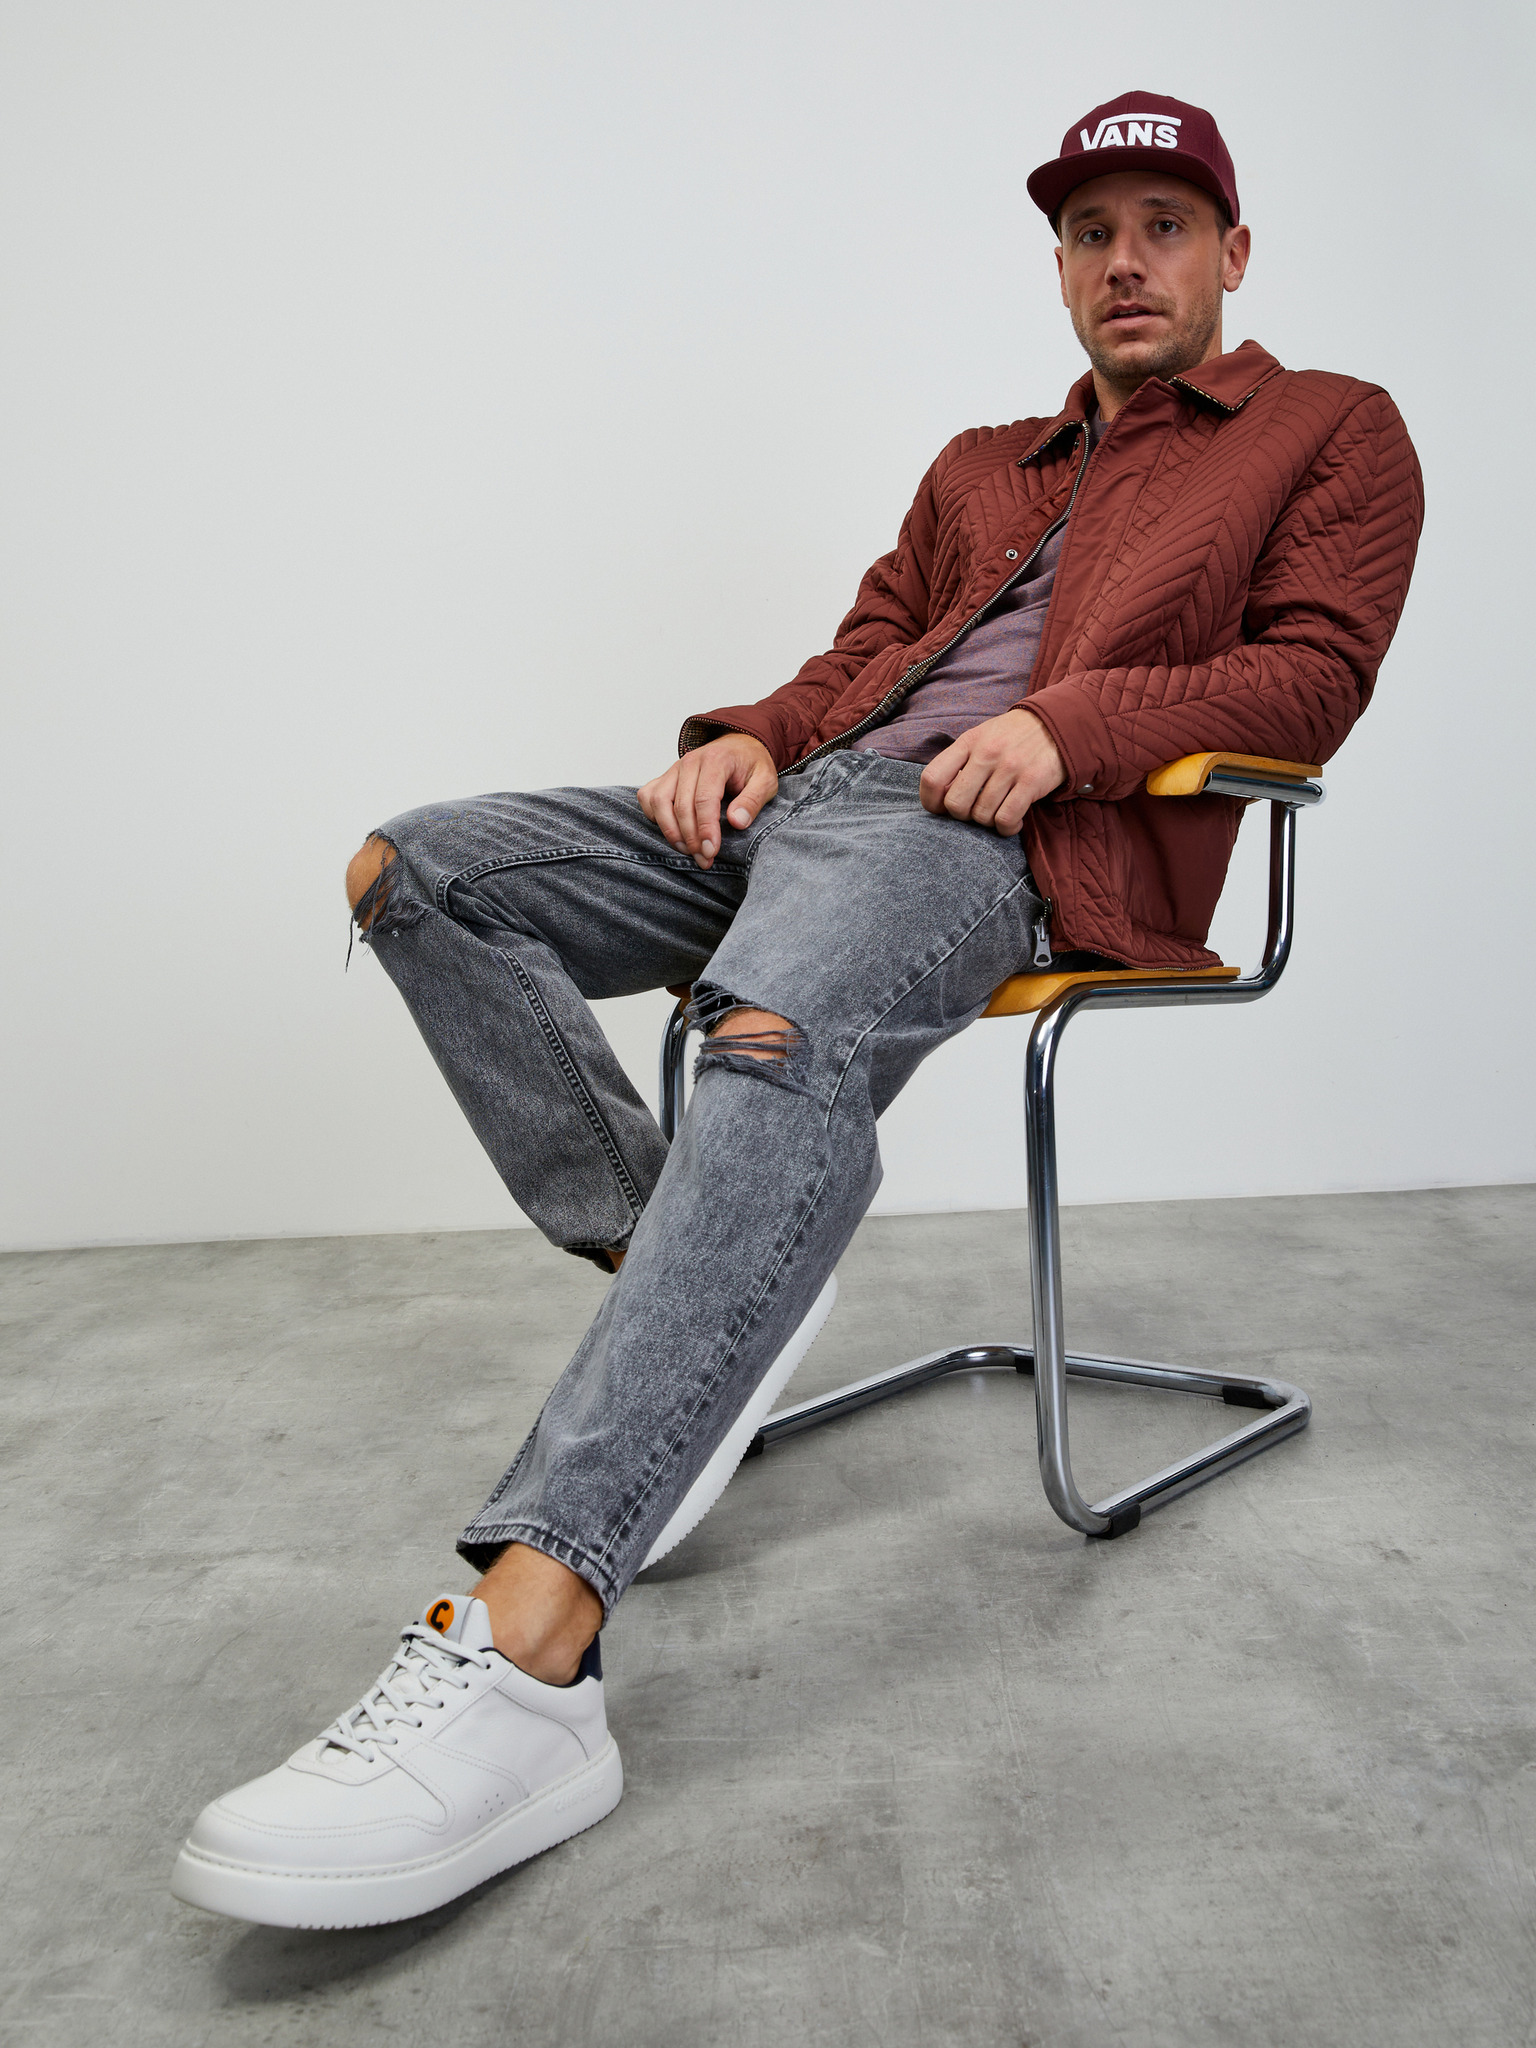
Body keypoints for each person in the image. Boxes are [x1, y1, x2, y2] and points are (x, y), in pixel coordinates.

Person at [171, 91, 1423, 1929]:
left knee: (763, 1035)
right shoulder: (982, 462)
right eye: (1091, 233)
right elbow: (866, 651)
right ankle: (692, 1259)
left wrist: (1064, 729)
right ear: (1058, 267)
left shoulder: (1331, 428)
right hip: (818, 809)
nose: (1126, 261)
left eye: (1165, 225)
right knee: (417, 870)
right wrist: (753, 735)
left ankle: (532, 1656)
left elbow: (1311, 678)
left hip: (1012, 842)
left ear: (1233, 253)